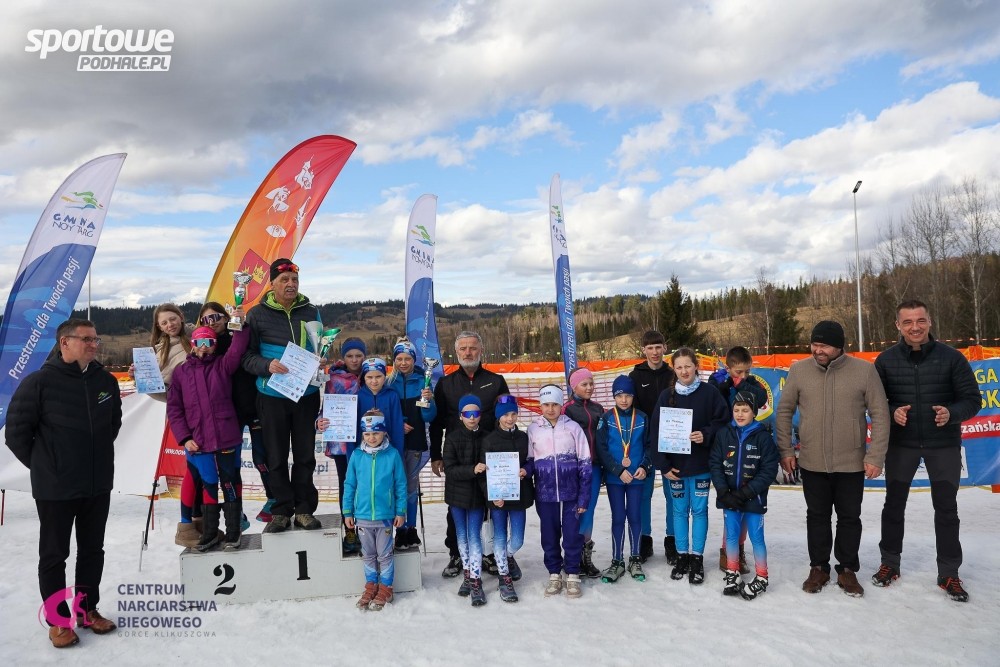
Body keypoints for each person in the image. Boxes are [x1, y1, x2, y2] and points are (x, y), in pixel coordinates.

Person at [6, 318, 122, 648]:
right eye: (86, 339)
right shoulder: (39, 382)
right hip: (56, 488)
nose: (93, 345)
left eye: (95, 339)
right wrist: (48, 466)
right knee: (55, 555)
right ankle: (58, 621)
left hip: (97, 483)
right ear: (64, 343)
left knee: (92, 550)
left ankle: (87, 610)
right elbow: (16, 435)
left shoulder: (105, 381)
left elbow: (113, 425)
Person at [872, 300, 981, 602]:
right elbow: (874, 403)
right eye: (908, 322)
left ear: (929, 322)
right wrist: (892, 412)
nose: (915, 327)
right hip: (901, 446)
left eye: (920, 320)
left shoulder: (952, 358)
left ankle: (949, 573)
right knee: (893, 507)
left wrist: (951, 413)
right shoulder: (886, 361)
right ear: (898, 325)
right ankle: (889, 564)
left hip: (942, 446)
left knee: (946, 509)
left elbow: (972, 400)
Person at [775, 320, 890, 597]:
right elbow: (784, 411)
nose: (818, 350)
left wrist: (875, 455)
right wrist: (786, 451)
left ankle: (847, 569)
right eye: (814, 344)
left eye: (824, 345)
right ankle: (818, 568)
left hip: (851, 462)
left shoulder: (864, 371)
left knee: (849, 517)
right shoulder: (799, 370)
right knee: (817, 517)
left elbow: (880, 414)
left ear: (839, 346)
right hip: (812, 461)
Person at [242, 258, 324, 533]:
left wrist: (320, 360)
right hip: (272, 394)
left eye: (294, 280)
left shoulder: (311, 311)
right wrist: (266, 365)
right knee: (275, 457)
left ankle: (303, 510)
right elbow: (247, 357)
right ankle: (280, 511)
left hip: (306, 394)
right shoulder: (257, 314)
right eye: (284, 280)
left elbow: (319, 347)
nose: (291, 284)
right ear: (272, 283)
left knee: (305, 455)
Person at [429, 331, 510, 577]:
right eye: (463, 348)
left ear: (481, 350)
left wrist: (509, 452)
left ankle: (489, 553)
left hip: (490, 454)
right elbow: (436, 423)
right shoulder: (446, 384)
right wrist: (436, 455)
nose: (468, 352)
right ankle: (456, 553)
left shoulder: (496, 381)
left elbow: (506, 417)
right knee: (457, 504)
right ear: (456, 352)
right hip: (458, 455)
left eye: (472, 348)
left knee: (491, 505)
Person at [167, 321, 249, 551]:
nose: (204, 346)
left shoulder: (223, 364)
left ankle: (233, 531)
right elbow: (174, 409)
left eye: (209, 342)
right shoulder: (181, 372)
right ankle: (210, 532)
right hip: (198, 440)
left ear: (215, 345)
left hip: (226, 436)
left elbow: (237, 348)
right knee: (208, 484)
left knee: (229, 482)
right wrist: (184, 438)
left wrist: (240, 325)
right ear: (192, 344)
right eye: (200, 341)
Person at [650, 347, 729, 585]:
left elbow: (723, 422)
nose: (684, 371)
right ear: (673, 369)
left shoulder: (710, 393)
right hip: (676, 468)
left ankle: (697, 557)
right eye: (679, 367)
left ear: (696, 366)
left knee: (700, 511)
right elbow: (656, 432)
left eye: (688, 366)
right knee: (679, 511)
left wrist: (705, 434)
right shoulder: (666, 396)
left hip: (701, 465)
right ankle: (682, 555)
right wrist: (663, 465)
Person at [709, 390, 779, 600]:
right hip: (729, 497)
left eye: (745, 410)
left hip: (753, 499)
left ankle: (762, 577)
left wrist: (747, 492)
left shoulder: (763, 437)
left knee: (756, 538)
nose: (740, 414)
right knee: (731, 536)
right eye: (737, 410)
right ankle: (733, 572)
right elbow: (715, 463)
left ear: (754, 412)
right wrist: (723, 491)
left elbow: (768, 470)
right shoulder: (724, 434)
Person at [708, 345, 768, 574]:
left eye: (746, 371)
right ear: (728, 367)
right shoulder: (718, 381)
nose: (743, 375)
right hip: (727, 445)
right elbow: (711, 402)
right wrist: (721, 386)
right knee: (730, 504)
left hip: (748, 446)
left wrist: (742, 384)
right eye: (738, 372)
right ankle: (728, 552)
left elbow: (761, 398)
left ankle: (738, 549)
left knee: (747, 502)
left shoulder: (751, 383)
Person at [528, 384, 592, 598]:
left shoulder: (573, 428)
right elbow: (529, 460)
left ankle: (572, 573)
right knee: (549, 534)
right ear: (540, 406)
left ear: (561, 405)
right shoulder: (533, 429)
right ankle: (554, 572)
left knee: (573, 534)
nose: (550, 409)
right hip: (545, 493)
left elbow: (585, 462)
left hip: (571, 492)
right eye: (546, 404)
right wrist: (524, 473)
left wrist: (584, 495)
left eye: (555, 404)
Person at [342, 409, 407, 611]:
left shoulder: (392, 455)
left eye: (376, 433)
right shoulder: (356, 455)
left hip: (385, 516)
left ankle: (386, 587)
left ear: (384, 432)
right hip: (362, 516)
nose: (371, 438)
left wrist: (400, 511)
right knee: (368, 553)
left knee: (384, 554)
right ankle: (371, 585)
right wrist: (347, 511)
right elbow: (349, 484)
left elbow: (400, 484)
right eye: (367, 434)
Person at [594, 375, 651, 583]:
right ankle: (617, 560)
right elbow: (601, 448)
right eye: (619, 396)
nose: (624, 400)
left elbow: (649, 445)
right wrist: (617, 470)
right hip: (615, 477)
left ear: (633, 396)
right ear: (614, 397)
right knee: (618, 517)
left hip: (636, 476)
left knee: (635, 516)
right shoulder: (606, 418)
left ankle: (635, 558)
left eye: (628, 395)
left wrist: (644, 466)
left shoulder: (642, 418)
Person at [479, 394, 534, 602]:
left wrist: (526, 470)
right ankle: (504, 577)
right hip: (498, 500)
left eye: (513, 414)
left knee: (517, 539)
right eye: (505, 415)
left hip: (519, 497)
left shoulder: (523, 438)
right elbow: (484, 473)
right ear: (498, 416)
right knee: (500, 537)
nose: (510, 419)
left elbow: (531, 461)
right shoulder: (489, 440)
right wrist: (491, 495)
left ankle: (508, 556)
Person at [629, 330, 677, 562]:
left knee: (672, 494)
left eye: (658, 347)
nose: (655, 352)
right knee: (644, 494)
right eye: (650, 348)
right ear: (644, 350)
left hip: (670, 442)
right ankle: (644, 539)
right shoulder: (635, 376)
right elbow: (631, 410)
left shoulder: (673, 374)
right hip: (645, 443)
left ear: (665, 348)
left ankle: (672, 540)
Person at [387, 336, 437, 551]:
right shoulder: (388, 382)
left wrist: (429, 401)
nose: (403, 363)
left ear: (414, 360)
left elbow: (429, 417)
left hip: (415, 442)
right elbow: (384, 411)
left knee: (410, 487)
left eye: (407, 358)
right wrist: (398, 424)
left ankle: (411, 528)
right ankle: (399, 529)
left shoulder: (423, 381)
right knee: (394, 486)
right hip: (392, 443)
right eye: (399, 358)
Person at [319, 336, 367, 553]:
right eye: (349, 356)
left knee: (367, 485)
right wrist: (320, 421)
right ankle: (349, 530)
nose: (354, 360)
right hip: (342, 441)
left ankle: (367, 529)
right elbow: (326, 407)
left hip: (368, 440)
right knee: (347, 485)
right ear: (343, 357)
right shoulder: (334, 378)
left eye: (358, 355)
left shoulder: (373, 375)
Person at [443, 395, 489, 607]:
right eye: (467, 414)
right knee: (461, 538)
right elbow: (450, 469)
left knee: (474, 538)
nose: (472, 417)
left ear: (480, 415)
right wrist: (472, 469)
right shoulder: (452, 438)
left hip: (478, 497)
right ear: (460, 416)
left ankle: (476, 580)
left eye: (475, 413)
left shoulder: (487, 437)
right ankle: (468, 574)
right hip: (457, 497)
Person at [562, 367, 605, 578]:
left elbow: (604, 439)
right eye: (584, 384)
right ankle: (572, 555)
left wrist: (604, 465)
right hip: (574, 468)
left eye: (591, 383)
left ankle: (585, 554)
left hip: (594, 468)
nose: (589, 387)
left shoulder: (598, 408)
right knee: (574, 511)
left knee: (588, 510)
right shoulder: (567, 409)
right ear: (574, 386)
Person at [350, 357, 405, 462]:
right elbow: (352, 429)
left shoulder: (392, 396)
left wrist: (398, 456)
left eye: (378, 376)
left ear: (385, 376)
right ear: (364, 377)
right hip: (363, 454)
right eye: (369, 377)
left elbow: (397, 427)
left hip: (388, 453)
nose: (374, 381)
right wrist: (351, 457)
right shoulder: (357, 397)